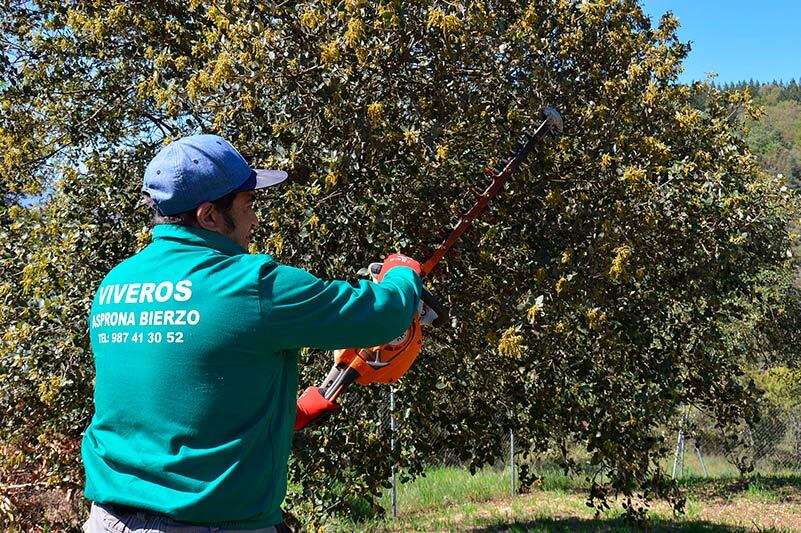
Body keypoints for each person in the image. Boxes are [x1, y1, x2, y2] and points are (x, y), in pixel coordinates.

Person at [81, 134, 422, 532]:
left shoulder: (115, 286)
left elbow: (167, 403)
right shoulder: (250, 284)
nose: (255, 221)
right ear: (208, 215)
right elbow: (381, 315)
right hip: (211, 523)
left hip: (108, 520)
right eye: (248, 206)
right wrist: (402, 274)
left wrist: (290, 413)